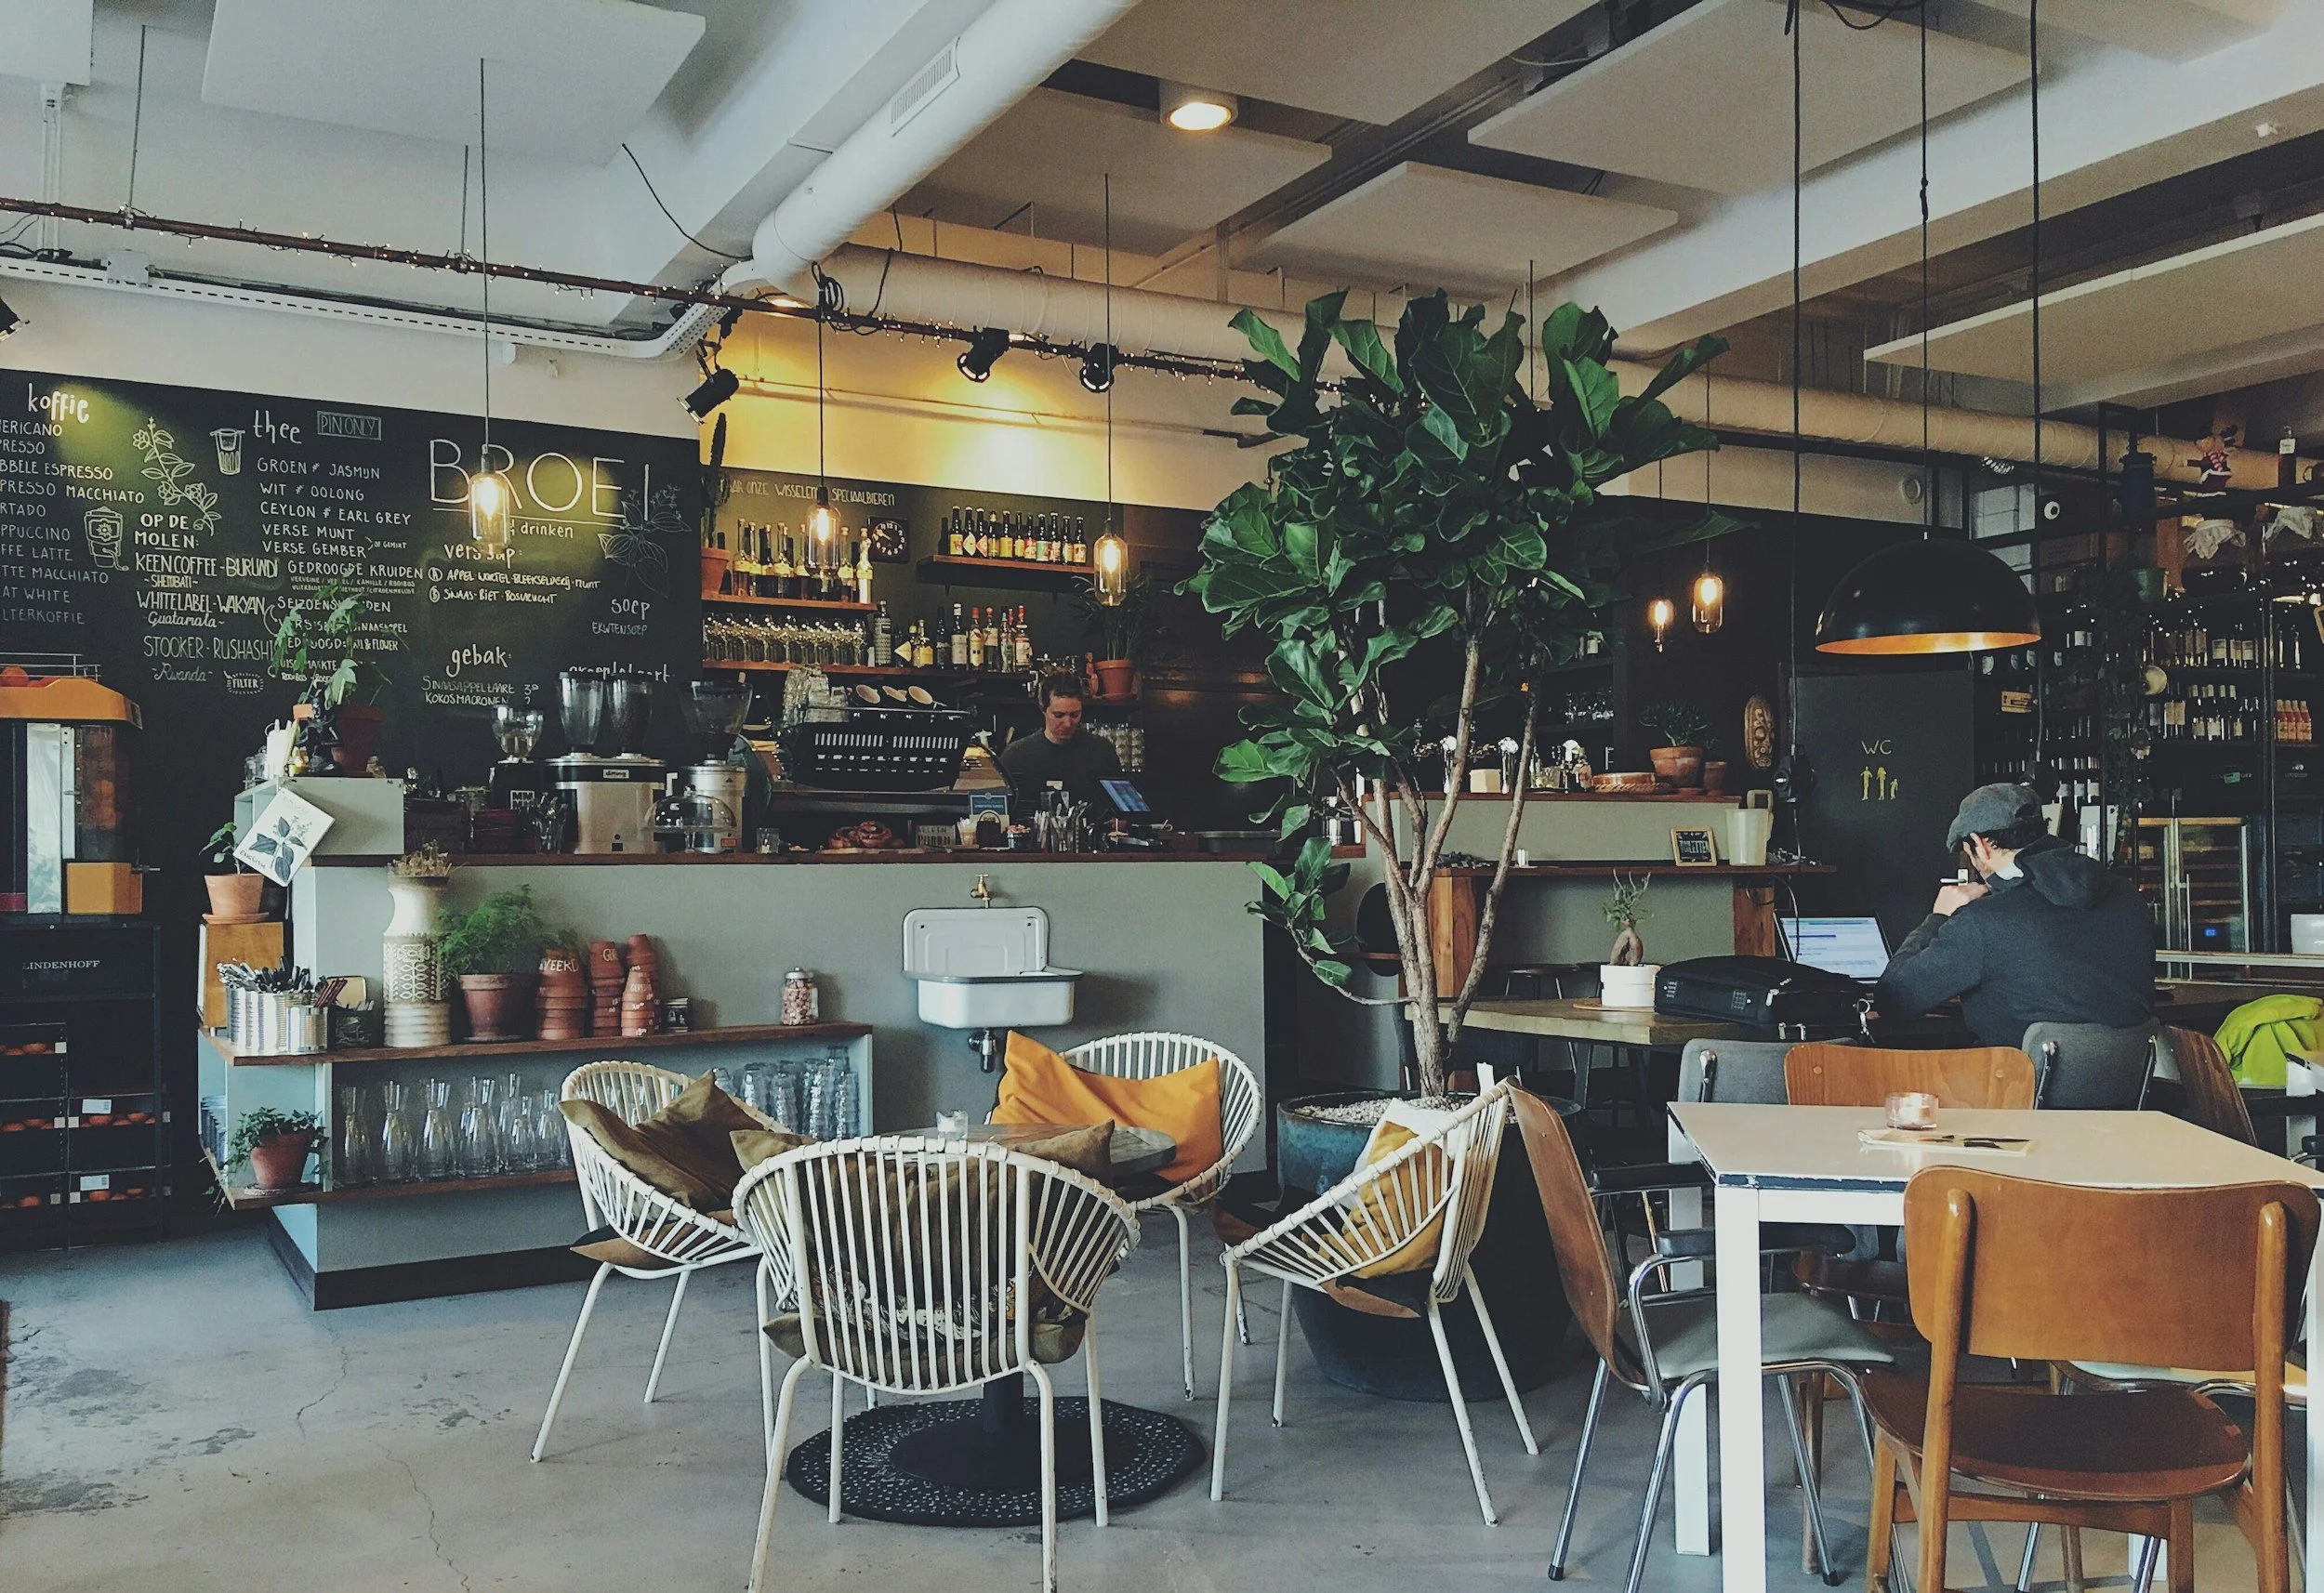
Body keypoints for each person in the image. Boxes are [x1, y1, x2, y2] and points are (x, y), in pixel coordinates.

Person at [1874, 782, 2154, 1047]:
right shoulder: (2126, 896)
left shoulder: (1982, 921)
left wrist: (1939, 917)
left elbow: (1894, 999)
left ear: (1980, 844)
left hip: (2016, 1089)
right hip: (2130, 1090)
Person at [998, 673, 1121, 804]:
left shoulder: (1101, 751)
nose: (1067, 723)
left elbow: (1121, 807)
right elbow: (998, 811)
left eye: (1074, 714)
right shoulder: (1016, 756)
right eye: (1059, 715)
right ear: (1042, 708)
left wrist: (1119, 820)